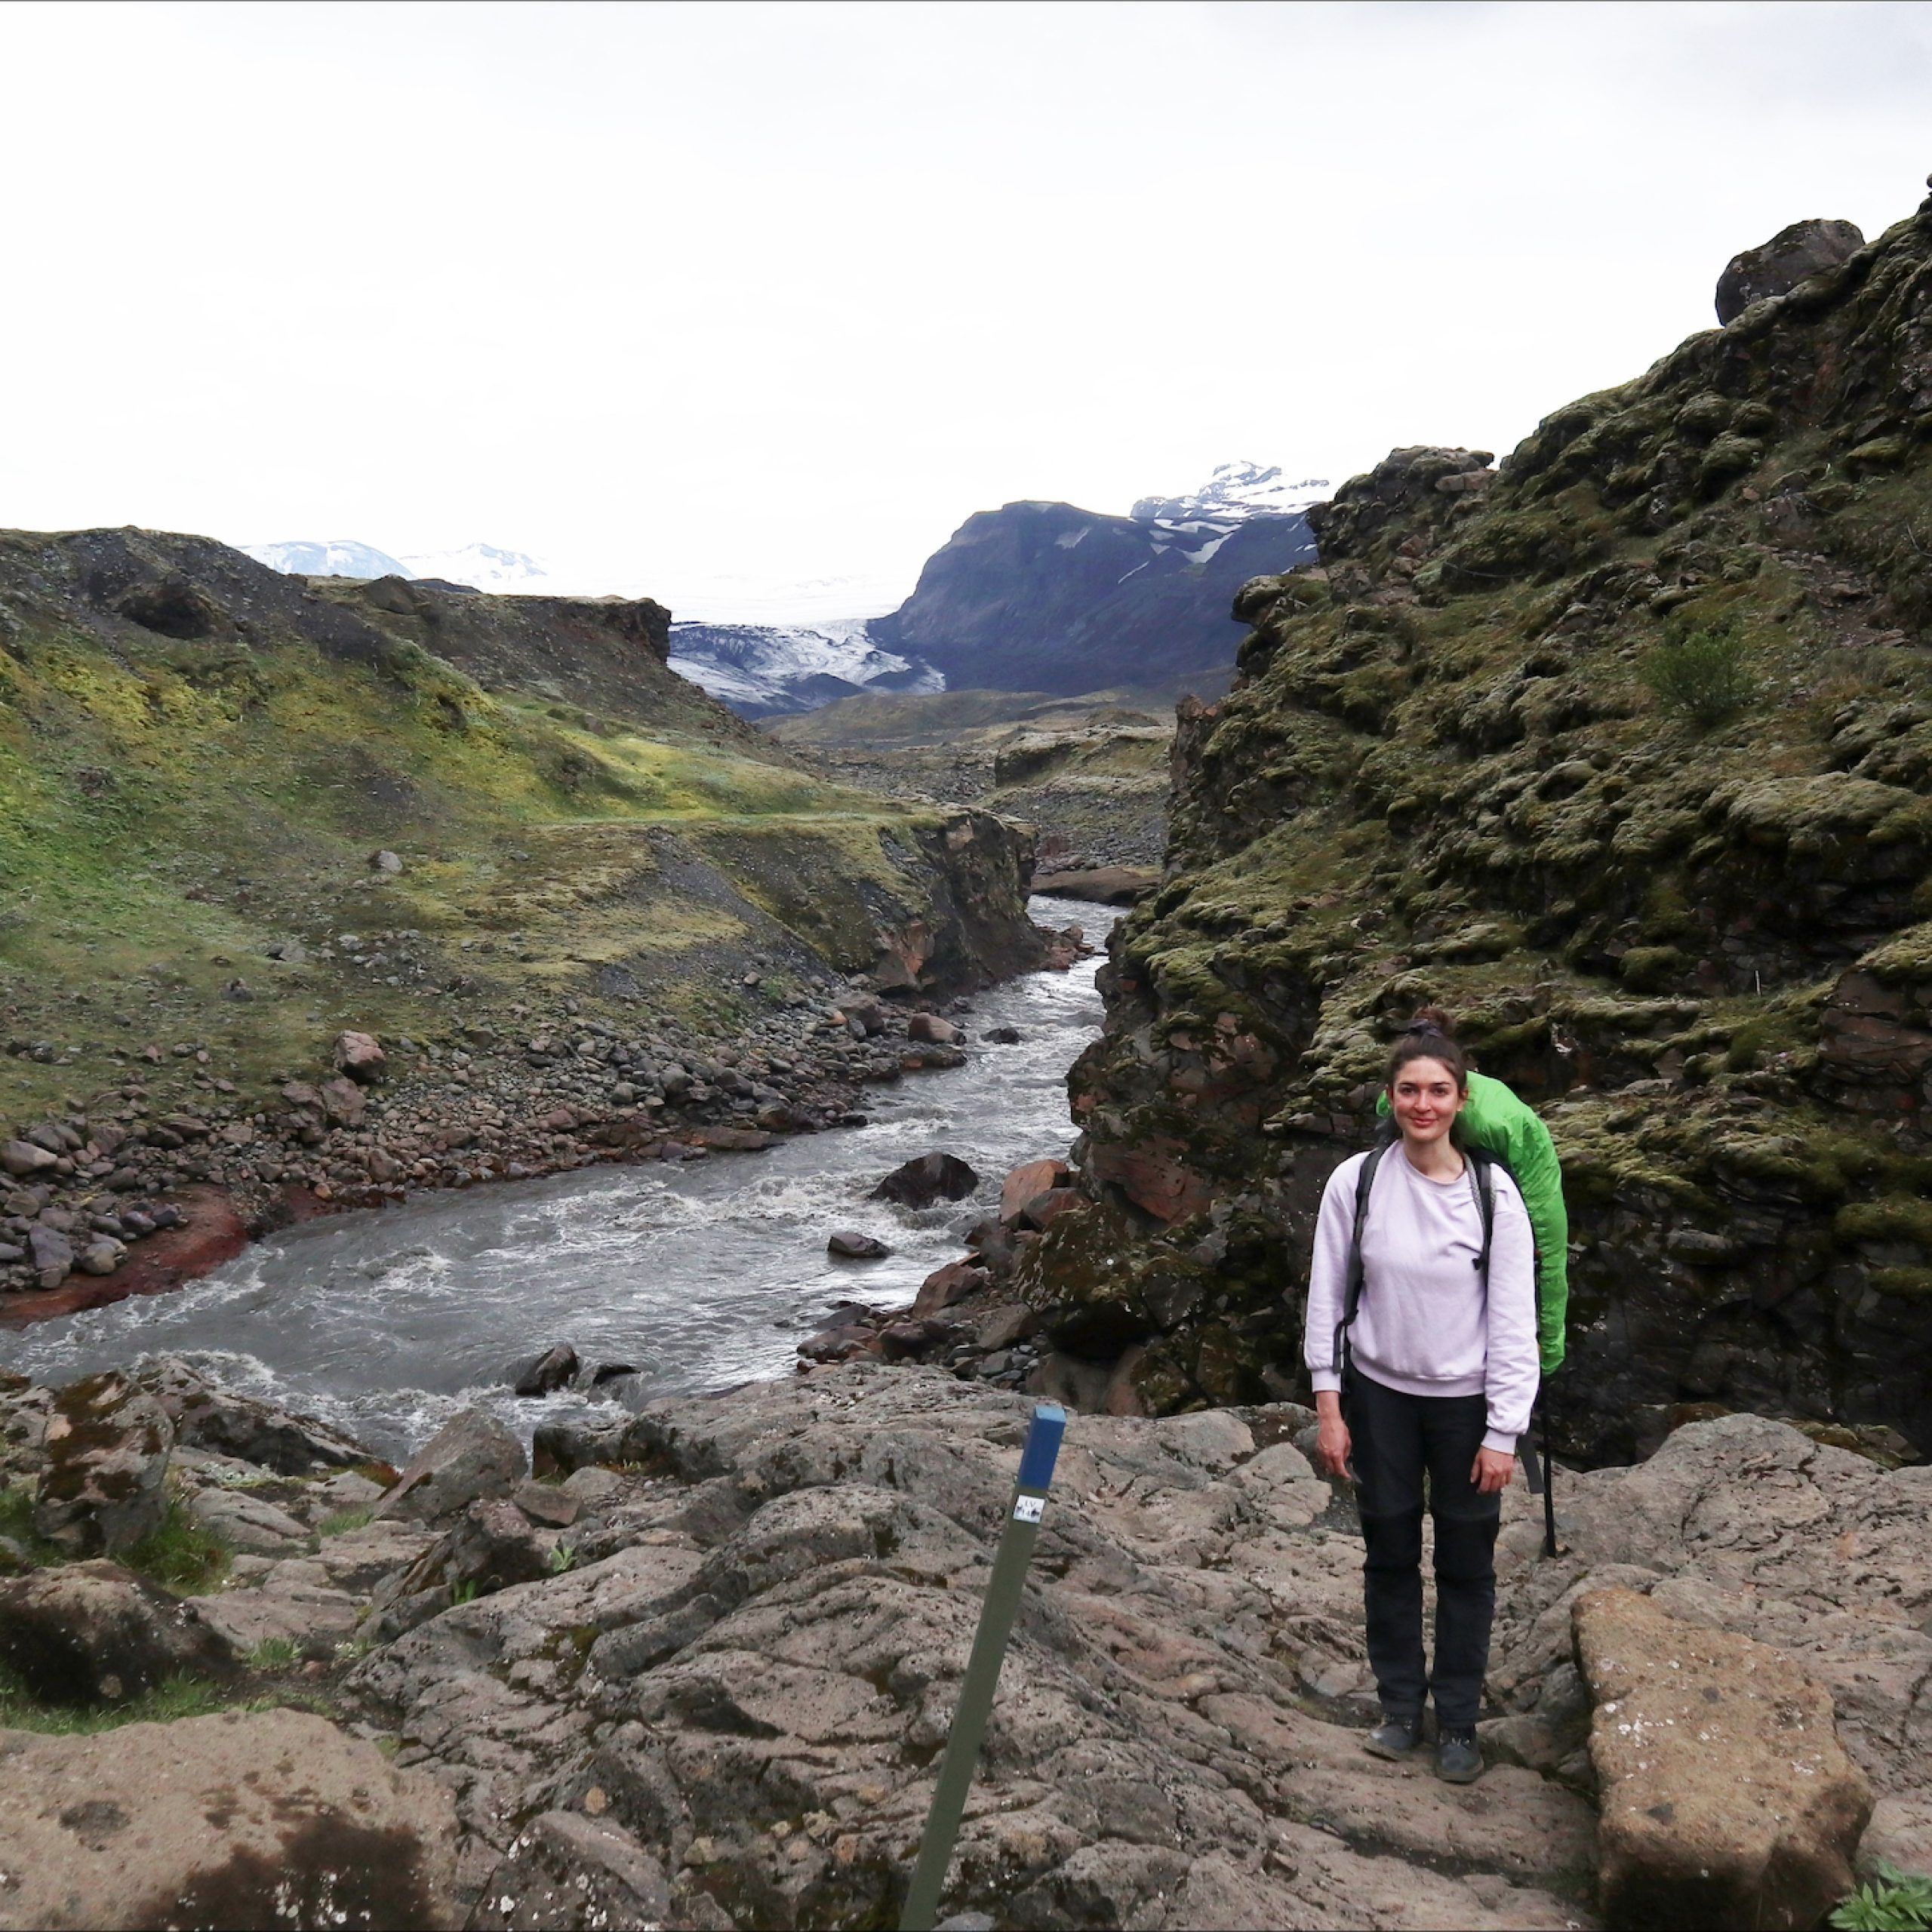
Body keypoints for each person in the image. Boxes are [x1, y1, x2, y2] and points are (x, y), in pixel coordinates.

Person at [1302, 1008, 1540, 1783]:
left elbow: (1513, 1319)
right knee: (1389, 1551)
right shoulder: (1357, 1180)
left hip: (1467, 1405)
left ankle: (1460, 1722)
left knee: (1467, 1566)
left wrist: (1504, 1430)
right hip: (1381, 1400)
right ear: (1390, 1097)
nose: (1422, 1104)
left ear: (1461, 1099)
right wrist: (1329, 1406)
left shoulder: (1492, 1193)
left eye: (1438, 1090)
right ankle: (1401, 1708)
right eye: (1408, 1089)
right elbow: (1326, 1299)